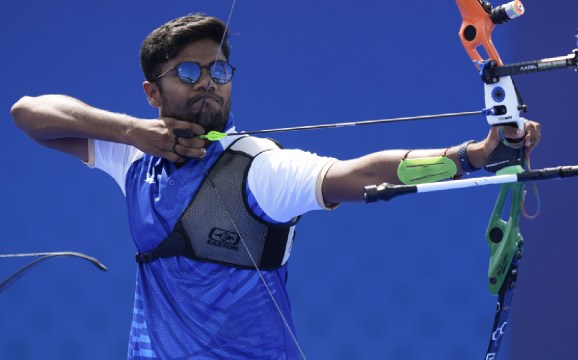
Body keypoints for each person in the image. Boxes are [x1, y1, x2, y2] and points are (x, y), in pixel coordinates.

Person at [10, 13, 540, 360]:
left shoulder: (256, 167)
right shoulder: (133, 156)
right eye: (189, 72)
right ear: (152, 92)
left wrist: (475, 155)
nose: (209, 84)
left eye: (219, 70)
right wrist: (129, 132)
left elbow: (361, 173)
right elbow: (29, 114)